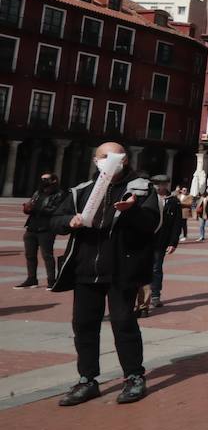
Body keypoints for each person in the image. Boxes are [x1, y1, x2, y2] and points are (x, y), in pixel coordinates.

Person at [49, 142, 159, 406]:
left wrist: (131, 212)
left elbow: (151, 224)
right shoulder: (82, 191)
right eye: (104, 156)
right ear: (95, 160)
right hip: (85, 268)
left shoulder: (141, 189)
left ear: (125, 160)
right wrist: (68, 221)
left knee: (123, 323)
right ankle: (87, 379)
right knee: (83, 325)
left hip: (121, 269)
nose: (110, 160)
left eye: (116, 156)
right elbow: (54, 220)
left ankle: (133, 376)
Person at [17, 172, 63, 289]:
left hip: (46, 228)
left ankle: (52, 281)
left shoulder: (59, 194)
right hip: (31, 227)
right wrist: (27, 208)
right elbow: (31, 204)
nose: (43, 181)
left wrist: (36, 207)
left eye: (46, 179)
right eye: (42, 179)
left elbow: (55, 209)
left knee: (47, 255)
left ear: (54, 180)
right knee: (30, 255)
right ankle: (32, 279)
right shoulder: (38, 192)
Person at [145, 174, 181, 312]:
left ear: (166, 185)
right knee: (141, 267)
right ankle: (140, 297)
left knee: (156, 268)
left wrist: (173, 243)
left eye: (162, 184)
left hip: (161, 240)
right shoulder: (148, 197)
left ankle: (155, 295)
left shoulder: (173, 201)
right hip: (145, 239)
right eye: (156, 184)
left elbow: (177, 224)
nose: (159, 187)